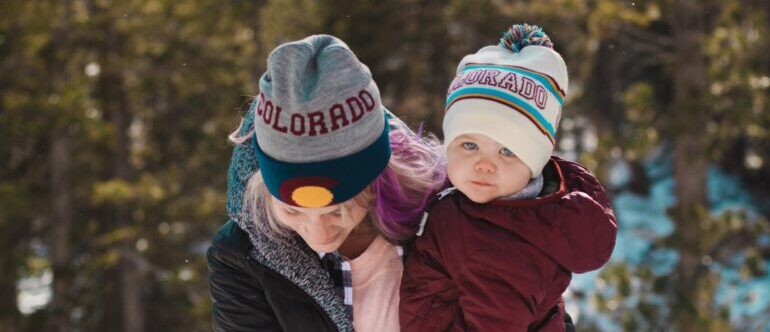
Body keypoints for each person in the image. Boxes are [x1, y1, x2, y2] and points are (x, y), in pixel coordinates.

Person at [206, 34, 446, 332]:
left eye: (338, 211)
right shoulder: (242, 258)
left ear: (375, 181)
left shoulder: (445, 219)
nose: (319, 234)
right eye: (292, 211)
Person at [399, 24, 618, 331]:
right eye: (470, 145)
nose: (484, 165)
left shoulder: (493, 242)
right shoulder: (518, 213)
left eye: (507, 152)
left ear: (535, 163)